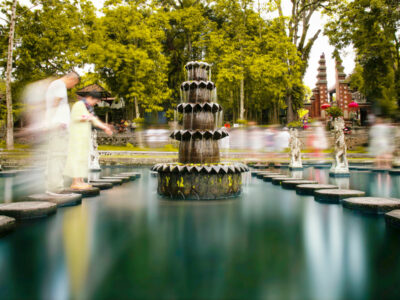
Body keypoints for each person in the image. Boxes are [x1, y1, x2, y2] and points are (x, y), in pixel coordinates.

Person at [63, 91, 113, 190]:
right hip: (76, 136)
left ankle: (80, 181)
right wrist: (85, 117)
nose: (96, 103)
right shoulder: (79, 105)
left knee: (83, 159)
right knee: (77, 158)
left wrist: (105, 127)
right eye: (96, 101)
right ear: (90, 97)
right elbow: (74, 118)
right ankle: (75, 182)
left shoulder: (87, 108)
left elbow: (93, 119)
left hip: (83, 137)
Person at [45, 71, 80, 194]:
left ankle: (54, 187)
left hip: (57, 125)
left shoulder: (54, 85)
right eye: (74, 84)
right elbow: (56, 102)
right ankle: (55, 188)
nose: (73, 87)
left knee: (56, 156)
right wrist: (54, 121)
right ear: (71, 79)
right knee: (58, 156)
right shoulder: (60, 85)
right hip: (59, 126)